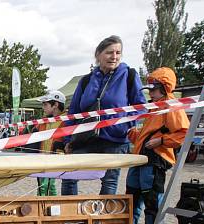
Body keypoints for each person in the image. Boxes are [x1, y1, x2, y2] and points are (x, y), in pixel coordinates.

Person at [61, 35, 146, 196]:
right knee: (69, 176)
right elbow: (73, 112)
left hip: (115, 140)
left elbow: (142, 108)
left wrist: (122, 125)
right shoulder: (86, 81)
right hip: (85, 138)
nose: (114, 56)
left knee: (109, 181)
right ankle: (68, 217)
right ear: (98, 55)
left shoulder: (130, 76)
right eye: (109, 52)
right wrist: (68, 139)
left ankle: (102, 220)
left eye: (118, 52)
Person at [126, 67, 188, 224]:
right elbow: (148, 135)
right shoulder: (155, 107)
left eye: (153, 89)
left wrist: (162, 140)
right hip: (140, 158)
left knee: (151, 199)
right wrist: (136, 135)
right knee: (132, 198)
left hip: (155, 160)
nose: (150, 93)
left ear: (163, 87)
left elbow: (184, 133)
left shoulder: (172, 106)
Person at [29, 90, 67, 196]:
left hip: (56, 160)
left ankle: (52, 206)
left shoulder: (67, 120)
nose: (43, 107)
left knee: (50, 185)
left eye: (45, 104)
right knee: (42, 185)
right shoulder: (44, 121)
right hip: (42, 158)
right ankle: (39, 209)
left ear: (55, 104)